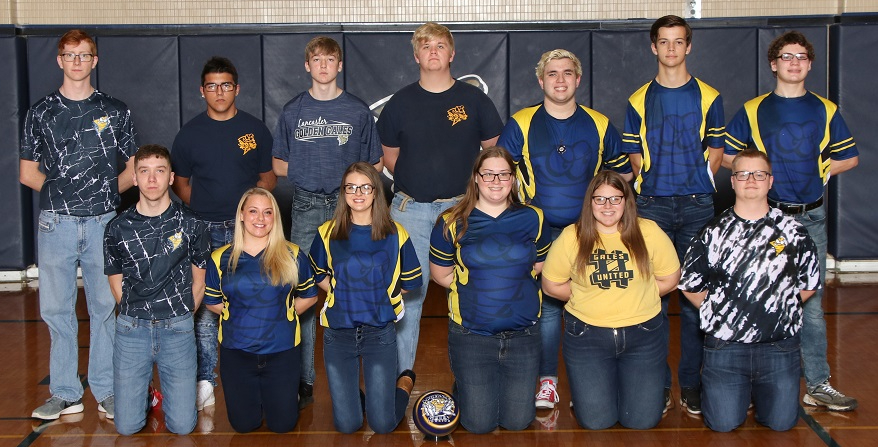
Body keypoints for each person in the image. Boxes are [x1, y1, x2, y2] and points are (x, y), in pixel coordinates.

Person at [724, 30, 859, 412]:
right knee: (755, 297)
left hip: (809, 218)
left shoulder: (825, 109)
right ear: (774, 63)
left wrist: (823, 170)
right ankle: (753, 385)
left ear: (810, 64)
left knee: (809, 305)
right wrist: (755, 175)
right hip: (765, 219)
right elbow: (725, 156)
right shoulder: (754, 109)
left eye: (801, 56)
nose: (794, 62)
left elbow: (849, 157)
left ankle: (817, 383)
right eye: (787, 56)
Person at [497, 48, 632, 411]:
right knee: (548, 310)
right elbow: (496, 175)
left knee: (593, 302)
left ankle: (592, 383)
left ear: (578, 79)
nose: (560, 80)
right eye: (552, 74)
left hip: (586, 234)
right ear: (541, 81)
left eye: (567, 73)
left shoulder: (599, 123)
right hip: (536, 234)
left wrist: (605, 214)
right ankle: (547, 381)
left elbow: (623, 175)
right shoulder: (521, 123)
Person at [20, 29, 138, 421]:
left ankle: (105, 390)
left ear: (95, 60)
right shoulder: (40, 112)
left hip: (103, 220)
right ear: (59, 60)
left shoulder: (115, 110)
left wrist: (106, 196)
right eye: (69, 55)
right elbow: (27, 172)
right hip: (56, 223)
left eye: (84, 55)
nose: (76, 62)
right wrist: (63, 199)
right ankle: (66, 392)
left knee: (105, 307)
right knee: (56, 309)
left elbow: (134, 168)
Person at [378, 22, 504, 374]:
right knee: (407, 295)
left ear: (452, 54)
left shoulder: (473, 100)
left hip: (463, 210)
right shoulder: (400, 103)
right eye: (425, 46)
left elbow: (494, 153)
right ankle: (399, 381)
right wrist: (422, 181)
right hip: (411, 211)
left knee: (473, 289)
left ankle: (477, 377)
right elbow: (390, 156)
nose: (433, 51)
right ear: (416, 55)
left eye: (440, 45)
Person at [621, 15, 725, 414]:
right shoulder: (636, 99)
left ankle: (693, 385)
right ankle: (660, 385)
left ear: (688, 46)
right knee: (653, 299)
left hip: (698, 205)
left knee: (696, 297)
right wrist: (656, 182)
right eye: (663, 42)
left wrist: (697, 181)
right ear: (653, 47)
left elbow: (716, 151)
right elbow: (633, 155)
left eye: (678, 41)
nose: (670, 48)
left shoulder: (710, 96)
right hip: (652, 207)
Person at [273, 37, 384, 406]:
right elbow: (279, 165)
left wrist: (350, 191)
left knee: (351, 291)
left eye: (330, 59)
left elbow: (374, 165)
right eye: (316, 60)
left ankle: (356, 384)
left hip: (347, 208)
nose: (323, 65)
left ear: (340, 65)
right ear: (307, 65)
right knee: (303, 293)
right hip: (305, 205)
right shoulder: (292, 110)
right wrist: (313, 170)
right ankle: (304, 381)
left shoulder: (356, 110)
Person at [679, 149, 820, 431]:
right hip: (726, 347)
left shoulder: (794, 231)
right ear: (732, 182)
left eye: (759, 174)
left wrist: (776, 309)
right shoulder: (712, 232)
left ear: (770, 181)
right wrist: (726, 313)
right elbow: (690, 286)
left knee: (781, 424)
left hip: (779, 346)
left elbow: (808, 283)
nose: (751, 180)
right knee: (723, 424)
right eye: (743, 174)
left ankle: (759, 394)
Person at [171, 56, 276, 411]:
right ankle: (205, 380)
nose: (220, 91)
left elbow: (268, 179)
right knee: (204, 309)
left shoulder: (255, 129)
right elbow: (181, 185)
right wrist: (206, 210)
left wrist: (245, 218)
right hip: (203, 230)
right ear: (202, 91)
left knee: (253, 302)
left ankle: (258, 374)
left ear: (237, 89)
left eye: (226, 85)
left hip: (246, 234)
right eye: (212, 85)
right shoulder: (189, 135)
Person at [541, 170, 680, 430]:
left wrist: (637, 296)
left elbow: (670, 279)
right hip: (587, 338)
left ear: (626, 202)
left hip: (643, 336)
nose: (608, 206)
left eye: (615, 199)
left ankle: (628, 393)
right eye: (600, 199)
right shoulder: (573, 235)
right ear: (589, 202)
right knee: (596, 422)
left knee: (641, 422)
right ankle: (595, 396)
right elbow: (551, 285)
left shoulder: (648, 231)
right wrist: (587, 296)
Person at [429, 147, 551, 433]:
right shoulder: (451, 220)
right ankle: (465, 385)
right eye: (488, 174)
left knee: (518, 422)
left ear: (513, 179)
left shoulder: (535, 218)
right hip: (472, 335)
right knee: (479, 424)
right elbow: (441, 274)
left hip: (523, 335)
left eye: (504, 174)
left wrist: (508, 282)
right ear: (475, 178)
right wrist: (477, 289)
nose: (496, 181)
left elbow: (540, 265)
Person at [103, 145, 210, 435]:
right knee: (126, 427)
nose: (152, 179)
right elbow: (115, 278)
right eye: (144, 171)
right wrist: (135, 313)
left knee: (183, 427)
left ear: (171, 178)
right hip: (131, 329)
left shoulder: (191, 224)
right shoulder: (117, 227)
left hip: (177, 328)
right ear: (134, 178)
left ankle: (157, 391)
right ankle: (144, 393)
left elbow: (199, 280)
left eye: (159, 171)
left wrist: (183, 316)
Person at [309, 162, 421, 433]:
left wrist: (381, 295)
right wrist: (336, 290)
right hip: (339, 334)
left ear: (375, 192)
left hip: (379, 333)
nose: (358, 193)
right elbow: (317, 273)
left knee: (382, 425)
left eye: (365, 187)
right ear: (344, 193)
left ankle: (403, 385)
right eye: (351, 187)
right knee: (348, 426)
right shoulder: (327, 232)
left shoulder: (396, 234)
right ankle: (357, 399)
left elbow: (410, 283)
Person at [203, 188, 318, 433]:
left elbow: (309, 295)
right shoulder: (220, 258)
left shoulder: (293, 254)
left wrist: (282, 313)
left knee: (283, 425)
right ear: (242, 215)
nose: (260, 218)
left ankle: (283, 397)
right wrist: (241, 314)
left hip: (282, 351)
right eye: (253, 211)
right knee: (244, 425)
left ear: (274, 218)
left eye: (268, 212)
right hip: (237, 352)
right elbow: (212, 301)